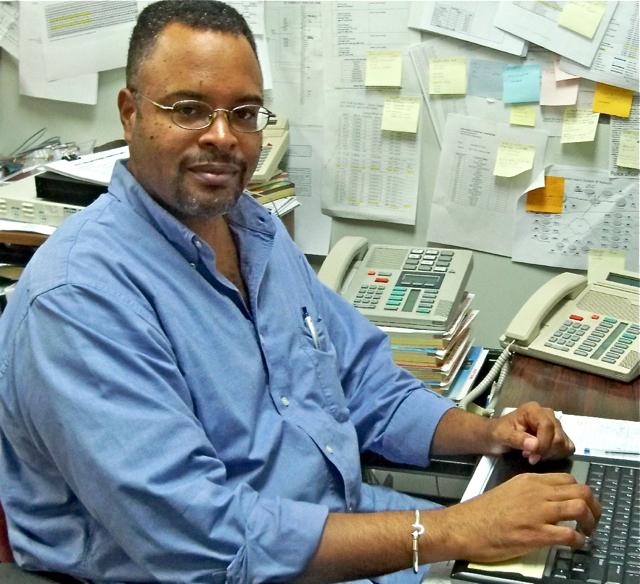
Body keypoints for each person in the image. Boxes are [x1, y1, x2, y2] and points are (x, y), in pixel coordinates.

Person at [0, 2, 600, 583]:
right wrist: (454, 530)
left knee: (586, 557)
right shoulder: (79, 299)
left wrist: (488, 433)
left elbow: (365, 384)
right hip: (217, 569)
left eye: (243, 113)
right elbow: (205, 540)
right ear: (130, 114)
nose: (222, 136)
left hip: (348, 533)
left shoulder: (254, 231)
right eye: (188, 109)